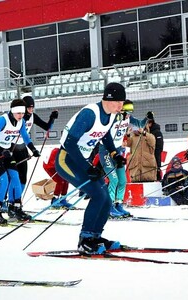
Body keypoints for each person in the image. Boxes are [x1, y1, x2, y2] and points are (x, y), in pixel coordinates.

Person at [55, 82, 126, 255]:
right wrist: (87, 167)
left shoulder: (110, 115)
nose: (121, 106)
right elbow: (70, 143)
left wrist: (115, 154)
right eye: (119, 102)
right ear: (108, 99)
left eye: (122, 103)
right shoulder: (89, 114)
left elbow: (105, 135)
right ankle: (85, 239)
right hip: (67, 159)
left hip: (81, 160)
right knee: (97, 194)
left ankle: (95, 236)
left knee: (106, 198)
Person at [0, 99, 41, 225]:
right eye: (18, 113)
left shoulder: (21, 121)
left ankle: (16, 208)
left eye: (22, 113)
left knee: (16, 178)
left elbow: (25, 137)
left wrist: (33, 149)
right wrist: (1, 150)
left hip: (7, 151)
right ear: (12, 111)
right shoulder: (3, 120)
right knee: (4, 181)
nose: (21, 116)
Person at [99, 100, 147, 218]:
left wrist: (147, 118)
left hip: (119, 151)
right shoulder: (113, 117)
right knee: (113, 180)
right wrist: (120, 116)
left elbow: (140, 124)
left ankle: (118, 204)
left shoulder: (128, 118)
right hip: (107, 151)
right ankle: (108, 207)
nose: (129, 114)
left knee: (122, 181)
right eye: (127, 111)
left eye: (131, 112)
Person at [13, 95, 58, 200]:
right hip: (12, 148)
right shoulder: (18, 117)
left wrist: (52, 118)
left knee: (23, 178)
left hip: (22, 147)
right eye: (29, 108)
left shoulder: (33, 116)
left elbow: (46, 127)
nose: (31, 110)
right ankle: (8, 200)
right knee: (13, 178)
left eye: (32, 107)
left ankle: (16, 201)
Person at [147, 116, 164, 181]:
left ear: (150, 123)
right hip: (149, 157)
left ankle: (158, 179)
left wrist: (153, 153)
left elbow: (159, 146)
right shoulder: (148, 132)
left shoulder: (157, 132)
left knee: (156, 172)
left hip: (155, 156)